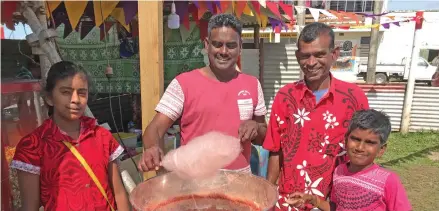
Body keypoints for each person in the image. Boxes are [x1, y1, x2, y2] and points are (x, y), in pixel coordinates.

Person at [138, 14, 267, 174]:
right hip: (194, 185)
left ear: (240, 46)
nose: (224, 51)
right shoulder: (183, 84)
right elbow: (155, 128)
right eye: (217, 44)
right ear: (207, 45)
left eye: (231, 45)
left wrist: (255, 127)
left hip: (240, 185)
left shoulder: (253, 84)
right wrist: (152, 148)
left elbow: (263, 136)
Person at [262, 22, 369, 211]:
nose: (311, 63)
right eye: (305, 56)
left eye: (319, 54)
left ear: (334, 54)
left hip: (335, 202)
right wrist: (267, 196)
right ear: (297, 56)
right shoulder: (285, 97)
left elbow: (364, 149)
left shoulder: (354, 98)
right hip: (290, 201)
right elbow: (275, 149)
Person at [10, 61, 130, 211]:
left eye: (82, 93)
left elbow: (119, 193)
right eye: (65, 92)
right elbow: (30, 207)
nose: (75, 100)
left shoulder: (102, 137)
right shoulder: (32, 146)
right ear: (49, 98)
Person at [285, 109, 412, 211]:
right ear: (346, 140)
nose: (360, 147)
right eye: (355, 139)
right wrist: (313, 200)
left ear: (381, 149)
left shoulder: (388, 180)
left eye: (370, 142)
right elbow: (336, 207)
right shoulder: (339, 172)